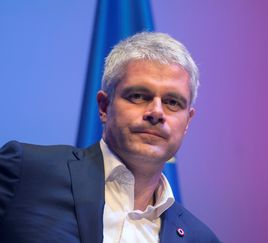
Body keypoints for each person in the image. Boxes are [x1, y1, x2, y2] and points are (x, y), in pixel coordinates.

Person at [0, 32, 220, 243]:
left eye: (172, 102)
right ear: (104, 107)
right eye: (138, 96)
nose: (156, 112)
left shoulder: (199, 238)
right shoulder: (26, 173)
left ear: (188, 121)